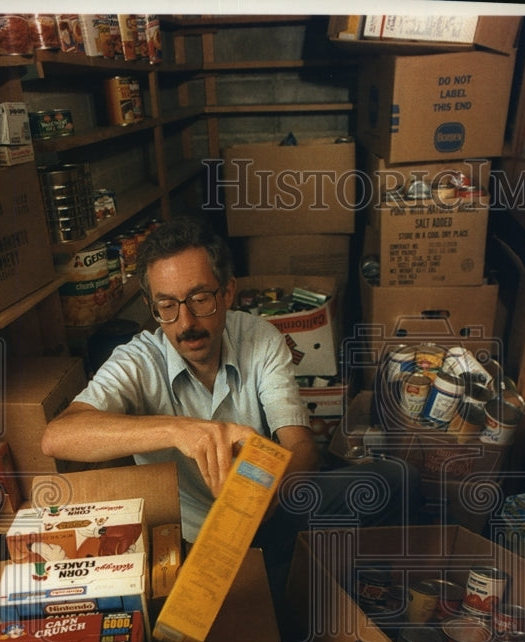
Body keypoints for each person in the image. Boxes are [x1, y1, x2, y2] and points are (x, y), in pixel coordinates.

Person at [41, 215, 417, 586]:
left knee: (399, 481)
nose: (185, 322)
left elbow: (301, 447)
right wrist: (181, 430)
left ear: (228, 292)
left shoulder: (260, 337)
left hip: (267, 514)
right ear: (150, 305)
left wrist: (263, 501)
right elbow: (58, 436)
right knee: (258, 608)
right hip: (194, 545)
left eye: (200, 299)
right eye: (167, 306)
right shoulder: (139, 359)